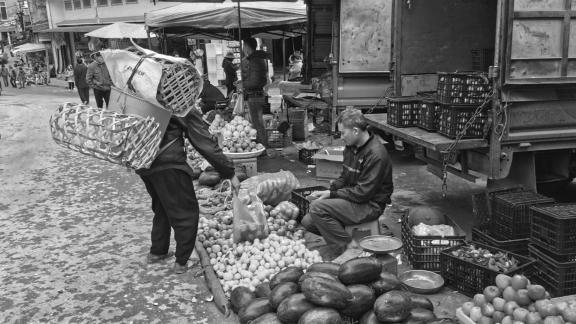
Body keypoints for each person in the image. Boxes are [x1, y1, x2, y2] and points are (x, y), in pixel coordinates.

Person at [137, 109, 241, 274]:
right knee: (186, 212)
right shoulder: (180, 105)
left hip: (143, 162)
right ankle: (182, 262)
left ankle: (158, 251)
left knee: (162, 206)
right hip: (168, 163)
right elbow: (203, 142)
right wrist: (230, 172)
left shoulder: (148, 95)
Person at [301, 109, 394, 261]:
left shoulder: (376, 155)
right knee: (308, 221)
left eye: (343, 133)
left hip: (370, 205)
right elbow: (344, 177)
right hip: (354, 200)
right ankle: (349, 237)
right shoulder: (351, 147)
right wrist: (330, 190)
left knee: (317, 209)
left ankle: (350, 248)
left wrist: (333, 195)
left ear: (356, 131)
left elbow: (363, 193)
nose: (341, 137)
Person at [240, 38, 270, 147]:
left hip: (254, 96)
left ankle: (262, 146)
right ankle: (261, 145)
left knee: (257, 123)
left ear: (247, 47)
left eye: (244, 46)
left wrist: (243, 85)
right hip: (257, 95)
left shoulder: (255, 60)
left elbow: (254, 81)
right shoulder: (257, 59)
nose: (243, 49)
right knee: (257, 122)